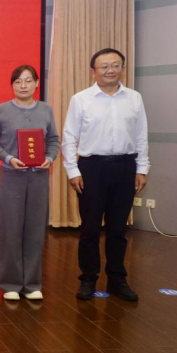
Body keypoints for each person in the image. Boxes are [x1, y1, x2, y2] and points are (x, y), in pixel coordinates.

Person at [62, 48, 149, 302]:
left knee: (118, 228)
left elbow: (141, 135)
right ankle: (88, 278)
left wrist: (142, 168)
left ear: (122, 68)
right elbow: (69, 137)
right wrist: (72, 170)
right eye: (104, 66)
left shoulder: (134, 98)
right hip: (92, 168)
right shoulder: (81, 99)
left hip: (125, 167)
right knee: (89, 229)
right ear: (94, 71)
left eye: (115, 65)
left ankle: (117, 278)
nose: (110, 70)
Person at [0, 65, 60, 301]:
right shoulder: (1, 110)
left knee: (35, 231)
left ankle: (32, 284)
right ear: (12, 85)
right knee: (10, 230)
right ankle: (11, 284)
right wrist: (9, 158)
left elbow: (54, 140)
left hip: (38, 177)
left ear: (36, 83)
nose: (23, 85)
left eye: (28, 80)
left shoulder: (46, 110)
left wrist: (49, 158)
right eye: (18, 81)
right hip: (11, 176)